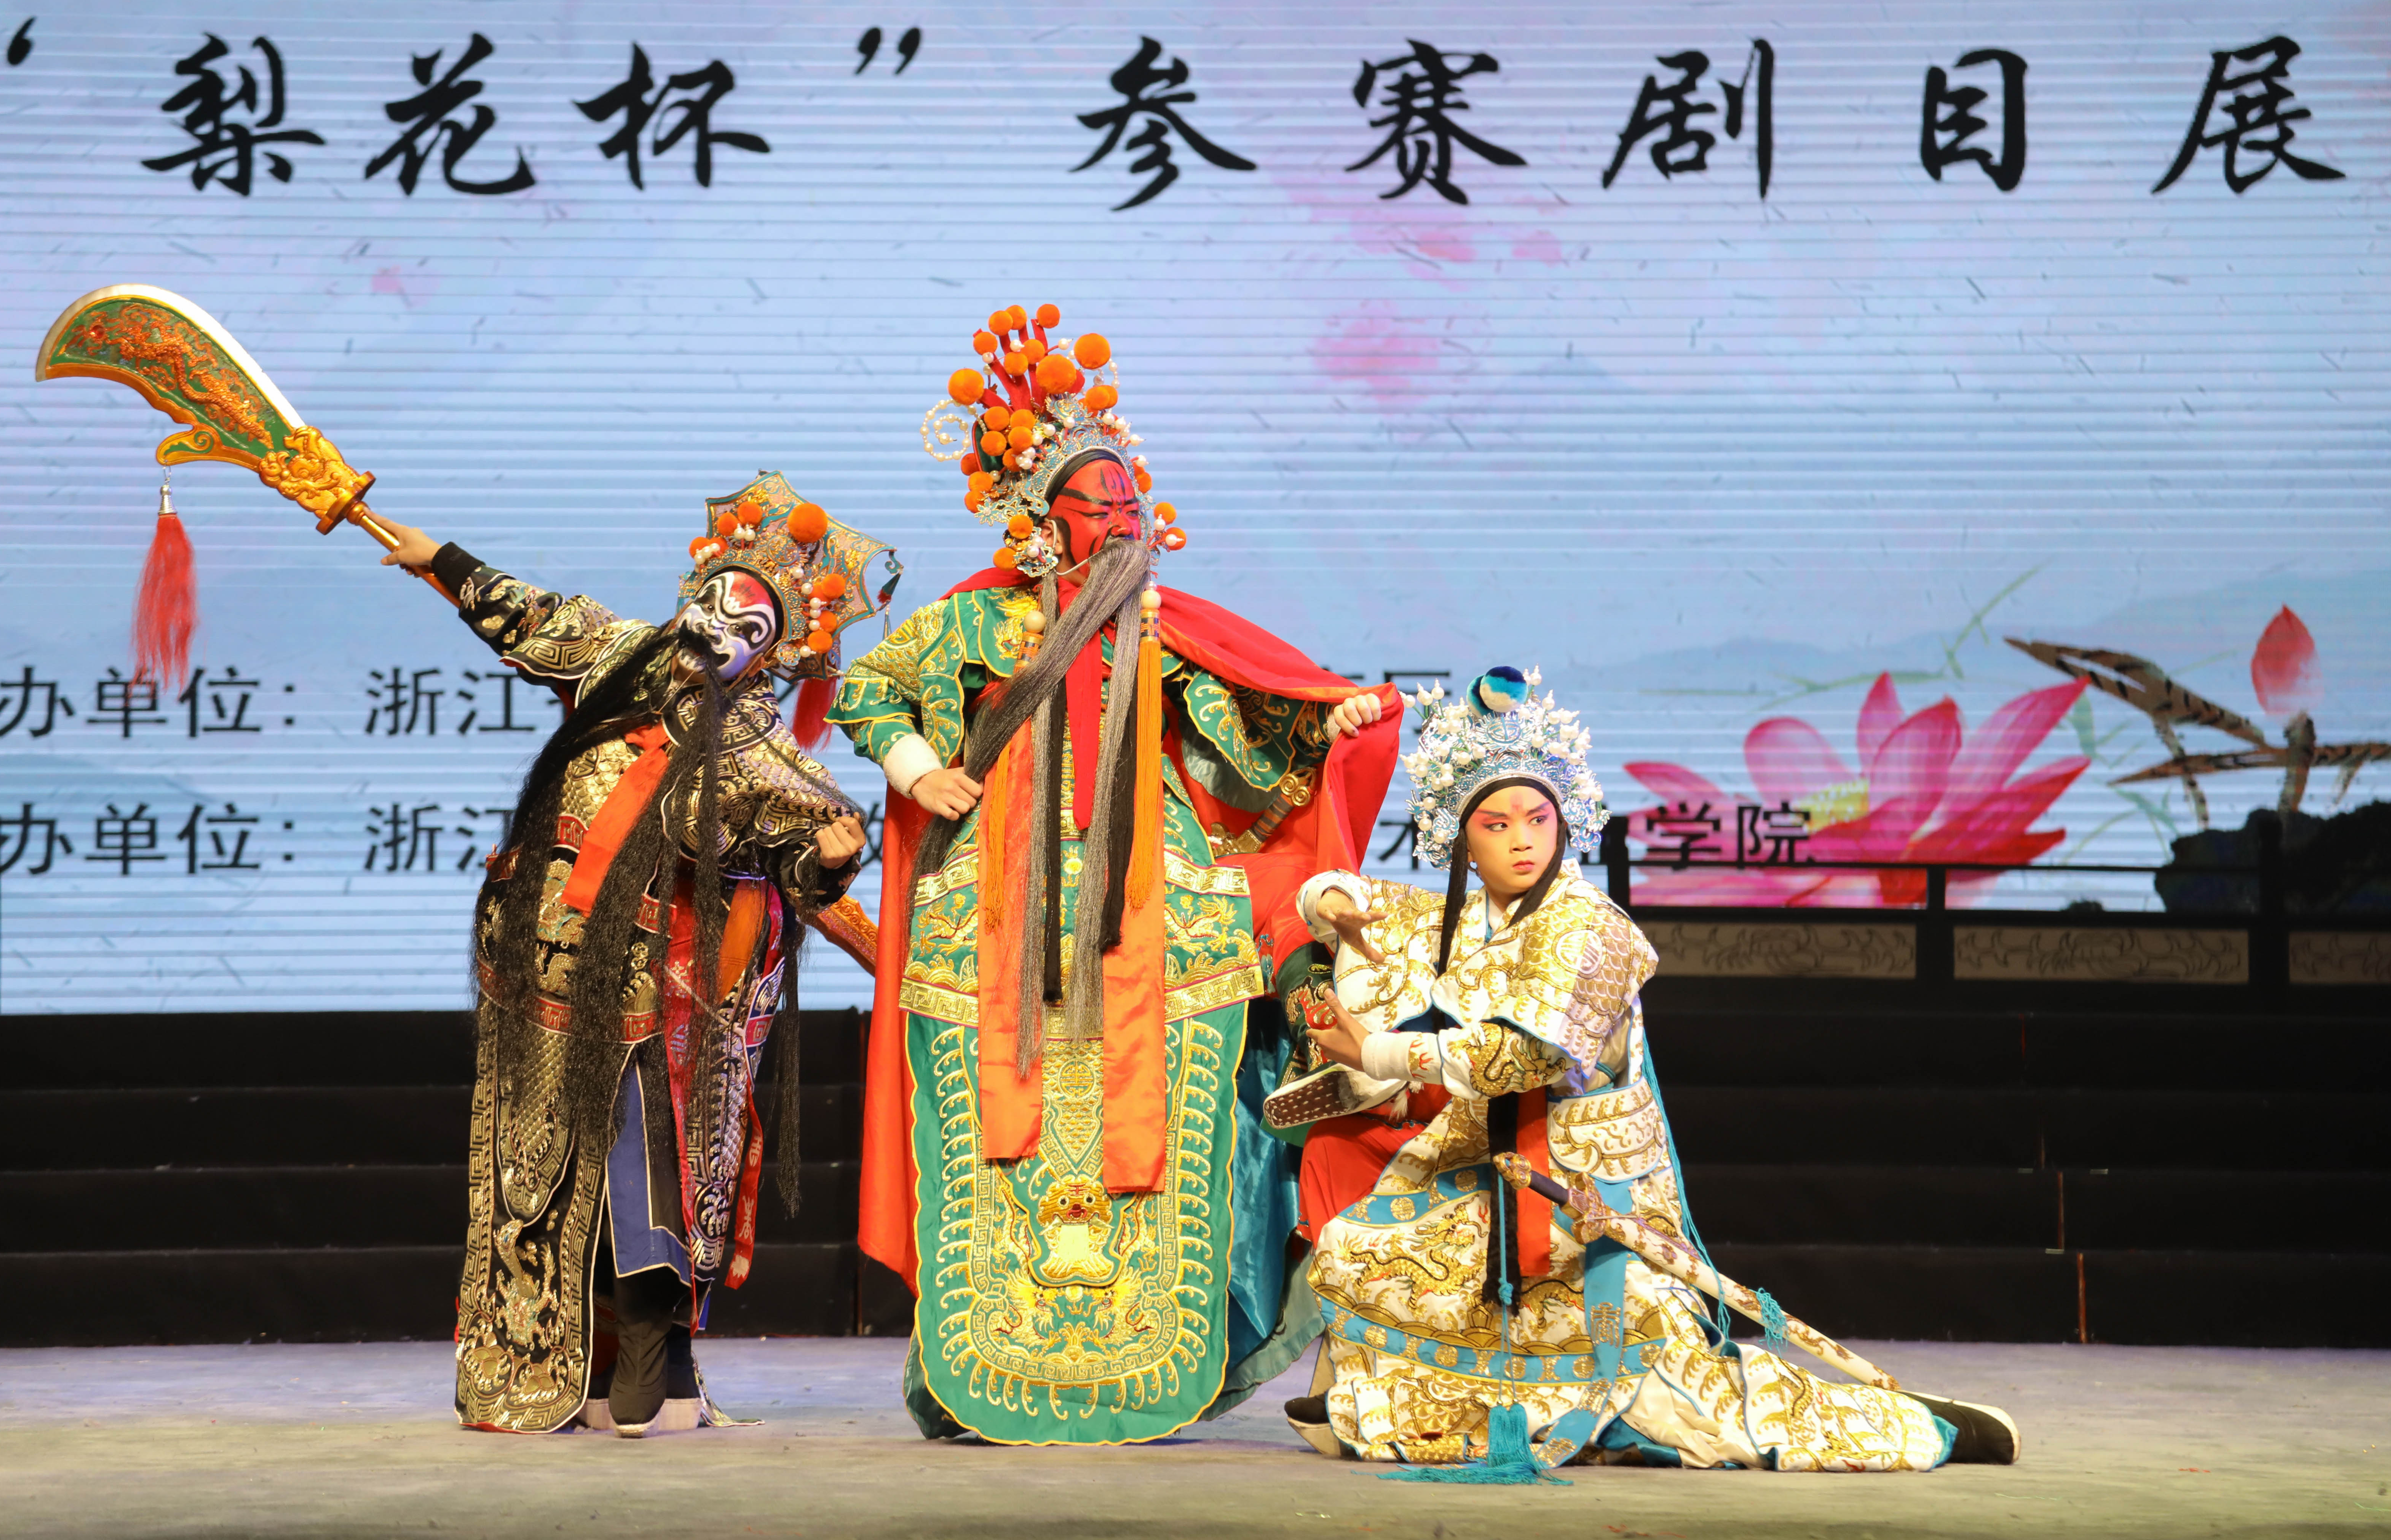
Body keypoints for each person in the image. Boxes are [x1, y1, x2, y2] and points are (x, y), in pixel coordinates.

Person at [830, 303, 1402, 1445]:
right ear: (1044, 518)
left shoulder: (1163, 629)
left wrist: (1323, 719)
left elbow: (1250, 728)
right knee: (986, 1142)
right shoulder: (974, 621)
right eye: (1101, 505)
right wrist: (917, 767)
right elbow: (866, 689)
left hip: (1155, 920)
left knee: (1181, 1132)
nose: (1123, 521)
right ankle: (972, 1367)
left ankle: (1155, 1359)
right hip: (994, 919)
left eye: (1132, 503)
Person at [1286, 668, 2021, 1472]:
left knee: (1676, 1389)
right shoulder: (1471, 920)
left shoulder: (1592, 928)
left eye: (1538, 818)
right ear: (1465, 840)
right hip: (1484, 1175)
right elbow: (1365, 904)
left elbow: (1523, 1054)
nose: (1522, 839)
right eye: (1496, 824)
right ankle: (1380, 1398)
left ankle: (1914, 1428)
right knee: (1360, 1253)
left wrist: (1376, 1051)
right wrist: (1331, 903)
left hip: (1592, 1196)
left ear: (1564, 823)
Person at [368, 472, 891, 1436]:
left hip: (662, 987)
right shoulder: (619, 652)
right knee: (534, 1168)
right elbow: (526, 612)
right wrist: (438, 558)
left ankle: (658, 1343)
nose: (716, 627)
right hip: (542, 960)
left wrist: (829, 856)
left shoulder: (762, 748)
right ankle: (547, 1356)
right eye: (713, 602)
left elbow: (806, 843)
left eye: (748, 625)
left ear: (773, 653)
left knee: (649, 1161)